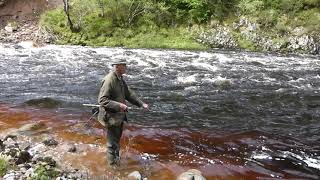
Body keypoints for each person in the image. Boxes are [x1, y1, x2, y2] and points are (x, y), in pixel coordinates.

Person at [97, 59, 149, 167]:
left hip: (119, 116)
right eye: (124, 65)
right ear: (117, 66)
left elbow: (128, 93)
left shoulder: (120, 78)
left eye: (125, 65)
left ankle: (116, 161)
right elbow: (102, 100)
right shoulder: (109, 80)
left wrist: (141, 104)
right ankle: (112, 168)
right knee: (112, 144)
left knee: (116, 140)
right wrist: (119, 105)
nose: (126, 67)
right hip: (111, 117)